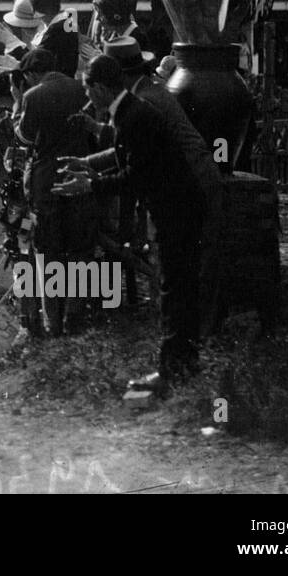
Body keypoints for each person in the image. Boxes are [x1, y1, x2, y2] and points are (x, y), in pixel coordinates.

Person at [54, 54, 207, 393]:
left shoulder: (133, 117)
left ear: (101, 88)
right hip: (177, 208)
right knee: (176, 288)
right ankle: (183, 366)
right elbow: (122, 153)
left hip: (174, 212)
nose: (87, 98)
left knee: (173, 289)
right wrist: (86, 162)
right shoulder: (131, 111)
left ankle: (173, 373)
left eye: (88, 90)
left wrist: (90, 185)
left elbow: (135, 176)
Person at [12, 48, 91, 337]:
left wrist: (17, 106)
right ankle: (75, 315)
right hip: (80, 173)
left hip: (45, 180)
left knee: (47, 250)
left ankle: (52, 322)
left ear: (32, 74)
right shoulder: (82, 89)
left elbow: (26, 135)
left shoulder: (34, 96)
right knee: (79, 248)